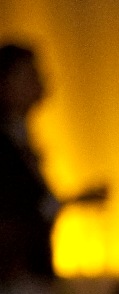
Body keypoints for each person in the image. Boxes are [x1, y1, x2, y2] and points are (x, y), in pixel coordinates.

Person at [0, 43, 102, 281]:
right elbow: (19, 211)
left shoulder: (22, 140)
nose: (40, 81)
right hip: (15, 277)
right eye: (29, 74)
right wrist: (73, 201)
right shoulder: (7, 146)